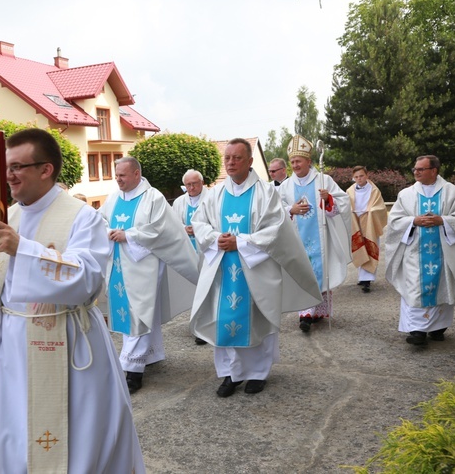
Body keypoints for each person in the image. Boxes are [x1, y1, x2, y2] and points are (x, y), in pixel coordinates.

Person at [0, 128, 144, 472]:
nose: (8, 176)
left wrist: (24, 249)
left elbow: (88, 278)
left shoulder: (82, 216)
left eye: (18, 167)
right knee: (17, 432)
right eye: (6, 167)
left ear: (45, 169)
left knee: (77, 436)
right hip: (13, 349)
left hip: (69, 342)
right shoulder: (8, 217)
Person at [191, 139, 322, 397]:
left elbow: (276, 231)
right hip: (222, 268)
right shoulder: (215, 194)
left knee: (257, 318)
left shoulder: (266, 193)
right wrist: (215, 239)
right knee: (224, 319)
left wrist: (240, 242)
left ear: (250, 162)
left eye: (236, 158)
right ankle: (230, 374)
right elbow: (199, 223)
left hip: (255, 269)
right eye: (227, 158)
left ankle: (257, 373)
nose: (230, 162)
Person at [99, 156, 199, 393]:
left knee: (139, 313)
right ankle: (150, 355)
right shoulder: (113, 198)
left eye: (122, 176)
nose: (118, 180)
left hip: (143, 265)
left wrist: (130, 236)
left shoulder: (153, 197)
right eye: (116, 176)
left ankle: (132, 370)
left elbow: (163, 230)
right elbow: (99, 220)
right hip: (118, 265)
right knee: (133, 313)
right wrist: (109, 231)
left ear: (136, 174)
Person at [385, 155, 455, 346]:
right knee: (414, 287)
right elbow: (394, 221)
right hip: (415, 252)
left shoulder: (452, 192)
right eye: (415, 169)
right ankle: (417, 331)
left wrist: (443, 221)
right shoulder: (406, 194)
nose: (416, 172)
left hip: (443, 252)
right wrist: (413, 221)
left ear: (434, 171)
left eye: (421, 169)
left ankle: (438, 328)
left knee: (441, 287)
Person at [277, 135, 351, 332]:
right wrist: (290, 210)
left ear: (309, 161)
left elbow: (343, 202)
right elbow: (274, 210)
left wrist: (328, 200)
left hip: (321, 238)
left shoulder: (323, 180)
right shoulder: (285, 186)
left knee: (320, 270)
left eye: (298, 161)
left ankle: (317, 312)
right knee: (302, 271)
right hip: (296, 238)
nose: (295, 165)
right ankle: (305, 314)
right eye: (292, 161)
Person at [171, 169, 208, 345]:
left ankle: (205, 327)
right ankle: (197, 325)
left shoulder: (211, 198)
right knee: (194, 291)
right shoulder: (179, 202)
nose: (191, 187)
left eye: (194, 184)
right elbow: (172, 223)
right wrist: (183, 228)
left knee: (207, 289)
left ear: (202, 183)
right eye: (188, 184)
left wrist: (200, 229)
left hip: (207, 252)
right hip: (187, 251)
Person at [346, 167, 387, 293]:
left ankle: (367, 280)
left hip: (369, 220)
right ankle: (362, 277)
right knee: (358, 247)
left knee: (369, 247)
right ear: (353, 178)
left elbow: (380, 207)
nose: (359, 179)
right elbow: (345, 205)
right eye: (356, 177)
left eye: (361, 176)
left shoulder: (374, 190)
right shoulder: (349, 191)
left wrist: (371, 211)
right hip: (355, 220)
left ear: (367, 175)